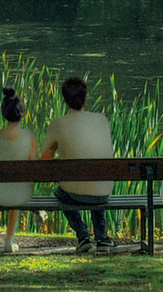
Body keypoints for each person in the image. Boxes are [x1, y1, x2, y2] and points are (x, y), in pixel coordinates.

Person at [40, 76, 115, 254]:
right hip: (102, 193)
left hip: (73, 194)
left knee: (60, 192)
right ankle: (102, 238)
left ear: (65, 99)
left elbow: (45, 162)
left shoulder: (57, 124)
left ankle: (83, 235)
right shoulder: (100, 120)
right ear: (86, 96)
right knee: (97, 178)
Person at [0, 86, 38, 254]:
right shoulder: (30, 135)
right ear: (23, 114)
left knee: (12, 186)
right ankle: (9, 242)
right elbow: (35, 165)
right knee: (17, 188)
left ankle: (8, 241)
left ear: (4, 113)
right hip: (20, 195)